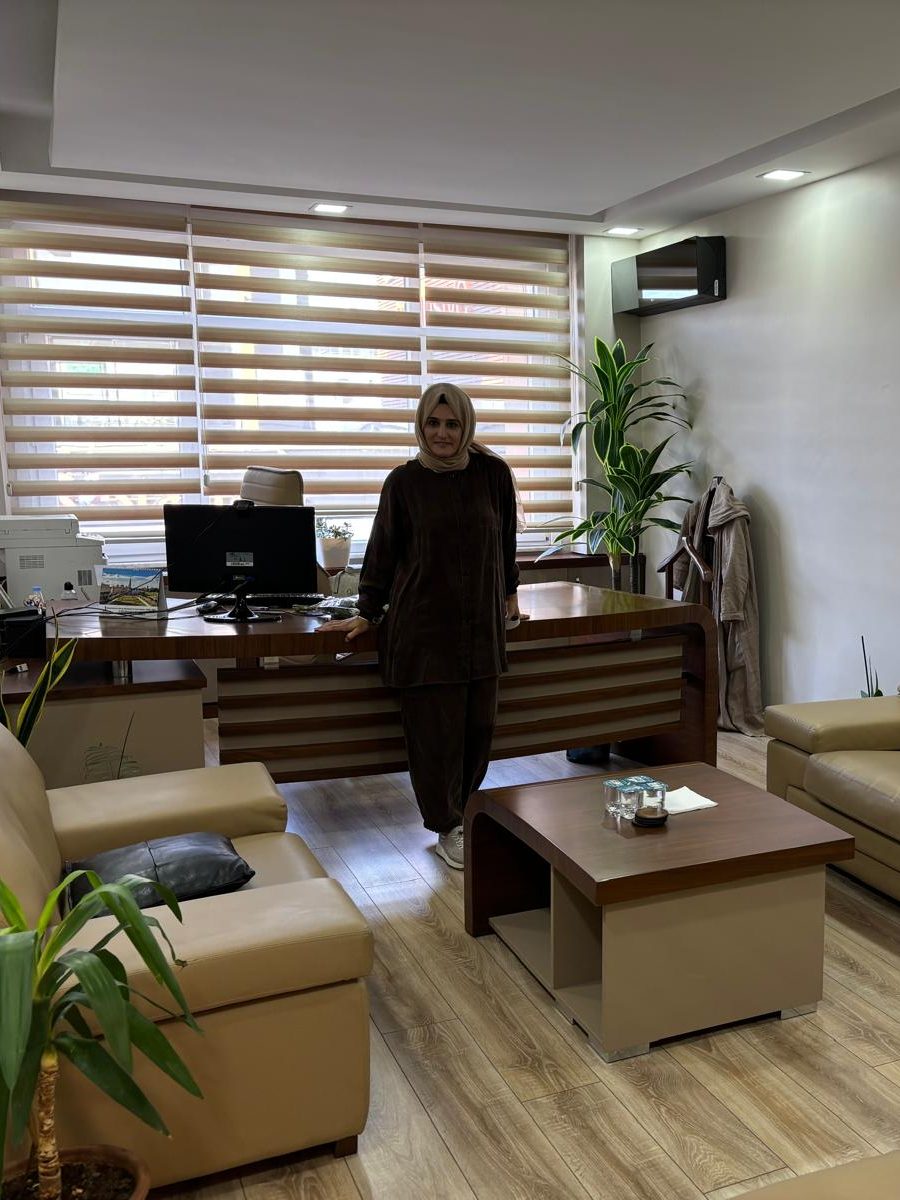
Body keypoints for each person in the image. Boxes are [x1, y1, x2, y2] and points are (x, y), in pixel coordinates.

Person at [318, 383, 523, 870]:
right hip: (425, 632)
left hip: (482, 630)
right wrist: (367, 610)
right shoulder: (403, 483)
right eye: (433, 423)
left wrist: (510, 594)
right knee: (436, 738)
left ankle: (465, 814)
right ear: (420, 426)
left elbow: (505, 542)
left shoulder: (493, 475)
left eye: (452, 424)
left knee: (479, 730)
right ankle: (446, 825)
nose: (442, 433)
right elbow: (382, 553)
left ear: (466, 427)